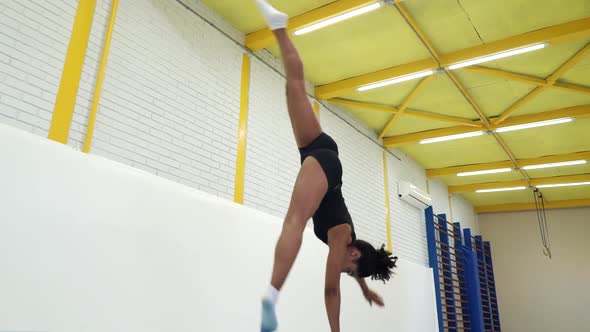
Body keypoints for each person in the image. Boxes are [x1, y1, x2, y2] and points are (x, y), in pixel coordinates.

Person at [253, 1, 398, 331]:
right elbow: (331, 290)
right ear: (355, 255)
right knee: (295, 221)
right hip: (326, 168)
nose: (343, 271)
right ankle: (271, 296)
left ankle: (278, 27)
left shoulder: (352, 243)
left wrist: (364, 288)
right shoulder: (340, 239)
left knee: (294, 86)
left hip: (318, 150)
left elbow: (352, 269)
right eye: (351, 270)